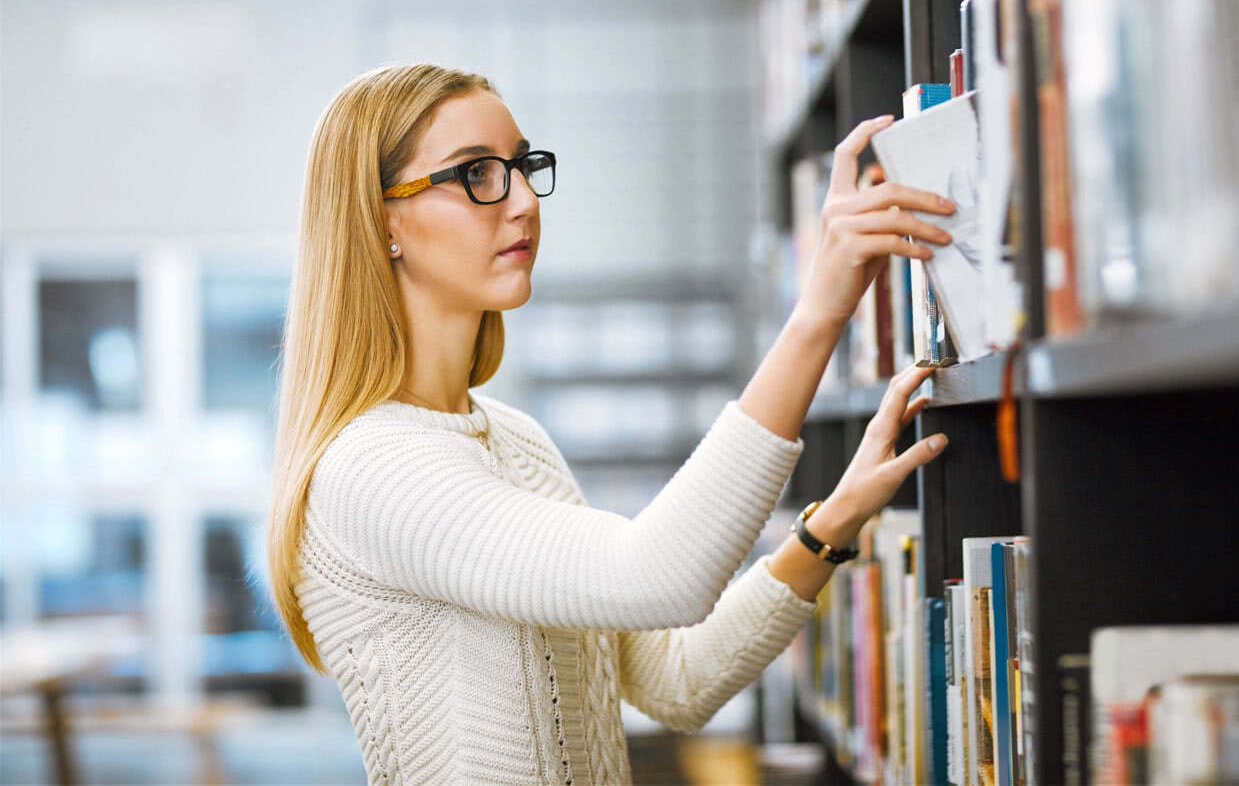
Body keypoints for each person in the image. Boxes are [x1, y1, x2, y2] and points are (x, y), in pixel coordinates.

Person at [265, 63, 958, 785]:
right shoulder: (371, 470)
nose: (525, 201)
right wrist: (821, 310)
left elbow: (676, 682)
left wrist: (833, 522)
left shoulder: (515, 443)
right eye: (477, 175)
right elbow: (658, 576)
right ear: (383, 224)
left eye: (523, 166)